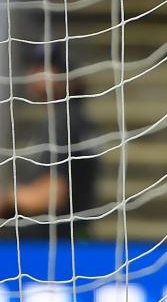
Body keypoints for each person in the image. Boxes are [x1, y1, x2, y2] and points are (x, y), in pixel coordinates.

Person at [0, 42, 98, 236]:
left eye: (46, 67)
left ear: (68, 75)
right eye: (34, 66)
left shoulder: (67, 122)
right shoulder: (52, 122)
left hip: (56, 245)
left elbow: (53, 194)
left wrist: (8, 198)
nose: (35, 73)